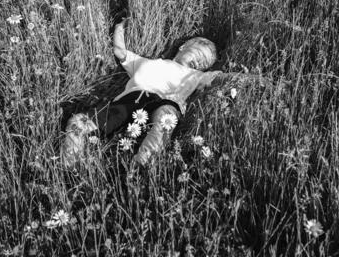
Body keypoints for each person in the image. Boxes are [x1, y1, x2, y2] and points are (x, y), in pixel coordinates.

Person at [61, 21, 243, 168]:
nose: (199, 61)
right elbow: (120, 51)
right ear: (184, 46)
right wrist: (119, 27)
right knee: (77, 122)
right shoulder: (146, 62)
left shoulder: (196, 76)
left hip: (164, 102)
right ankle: (69, 167)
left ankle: (142, 165)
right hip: (130, 100)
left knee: (165, 120)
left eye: (205, 63)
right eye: (198, 53)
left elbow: (221, 78)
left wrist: (252, 77)